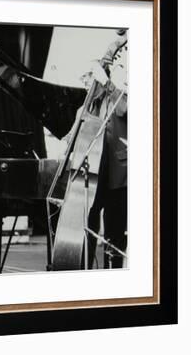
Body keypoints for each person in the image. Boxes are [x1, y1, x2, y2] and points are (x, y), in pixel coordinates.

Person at [86, 29, 128, 268]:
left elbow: (125, 109)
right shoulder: (105, 89)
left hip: (119, 169)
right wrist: (94, 85)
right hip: (96, 165)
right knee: (89, 221)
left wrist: (107, 82)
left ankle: (114, 278)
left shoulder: (123, 85)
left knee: (114, 233)